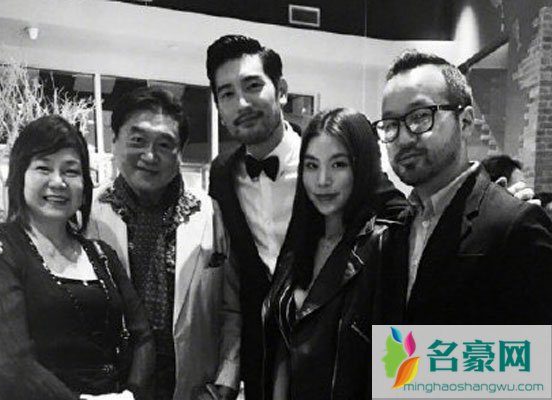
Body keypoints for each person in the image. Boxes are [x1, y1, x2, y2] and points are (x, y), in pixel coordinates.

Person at [0, 88, 240, 400]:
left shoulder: (212, 213)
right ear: (114, 142)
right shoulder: (80, 213)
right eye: (137, 140)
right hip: (105, 389)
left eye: (164, 144)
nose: (149, 155)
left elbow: (232, 306)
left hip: (190, 389)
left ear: (180, 152)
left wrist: (225, 383)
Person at [205, 34, 407, 399]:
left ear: (281, 90)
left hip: (343, 363)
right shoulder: (222, 174)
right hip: (265, 363)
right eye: (227, 93)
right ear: (218, 105)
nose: (242, 103)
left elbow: (403, 215)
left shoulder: (327, 157)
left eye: (252, 86)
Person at [0, 115, 154, 400]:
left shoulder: (101, 253)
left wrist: (131, 394)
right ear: (19, 176)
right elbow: (11, 363)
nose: (58, 182)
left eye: (71, 171)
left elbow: (143, 336)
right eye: (43, 168)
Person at [372, 50, 552, 324]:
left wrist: (413, 354)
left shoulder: (515, 225)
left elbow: (538, 348)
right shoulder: (397, 227)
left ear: (465, 122)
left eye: (420, 117)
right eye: (391, 124)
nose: (404, 138)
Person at [263, 108, 395, 400]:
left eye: (338, 164)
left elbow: (395, 364)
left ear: (362, 168)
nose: (322, 180)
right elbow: (284, 345)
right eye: (311, 166)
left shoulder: (381, 245)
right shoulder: (300, 244)